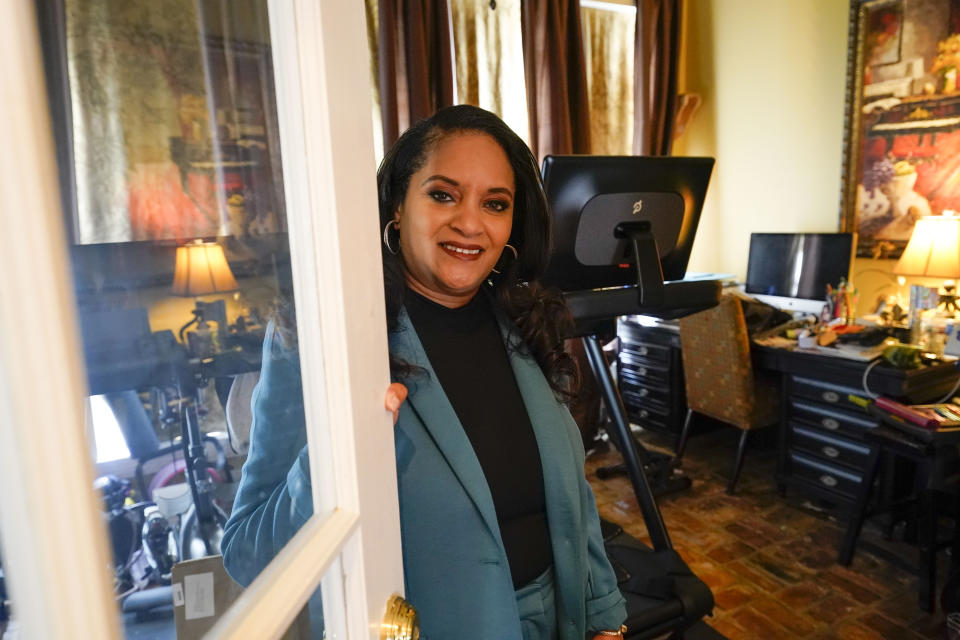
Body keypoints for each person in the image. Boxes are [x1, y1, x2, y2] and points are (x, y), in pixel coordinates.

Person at [222, 105, 627, 640]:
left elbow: (572, 496)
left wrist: (605, 621)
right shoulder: (326, 339)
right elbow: (248, 552)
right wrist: (336, 451)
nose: (470, 222)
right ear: (395, 205)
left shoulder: (525, 321)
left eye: (495, 203)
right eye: (442, 194)